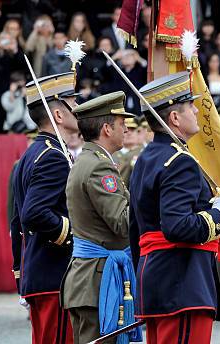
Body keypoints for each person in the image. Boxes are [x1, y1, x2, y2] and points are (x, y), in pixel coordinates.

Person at [129, 72, 220, 343]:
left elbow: (135, 228)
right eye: (190, 106)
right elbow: (177, 226)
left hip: (156, 277)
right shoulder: (180, 161)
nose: (195, 111)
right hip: (183, 283)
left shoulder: (146, 158)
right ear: (174, 118)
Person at [62, 91, 142, 344]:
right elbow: (122, 223)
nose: (127, 129)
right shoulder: (99, 166)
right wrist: (152, 200)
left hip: (92, 279)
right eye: (121, 123)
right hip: (97, 282)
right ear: (107, 129)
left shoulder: (90, 160)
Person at [10, 72, 79, 344]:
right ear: (59, 115)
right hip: (57, 276)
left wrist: (21, 273)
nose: (80, 108)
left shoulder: (33, 154)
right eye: (74, 102)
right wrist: (79, 235)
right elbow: (33, 214)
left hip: (42, 275)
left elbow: (17, 222)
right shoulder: (53, 157)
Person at [112, 117, 144, 187]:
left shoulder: (144, 153)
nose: (129, 133)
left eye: (132, 130)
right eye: (126, 130)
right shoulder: (112, 153)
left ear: (138, 132)